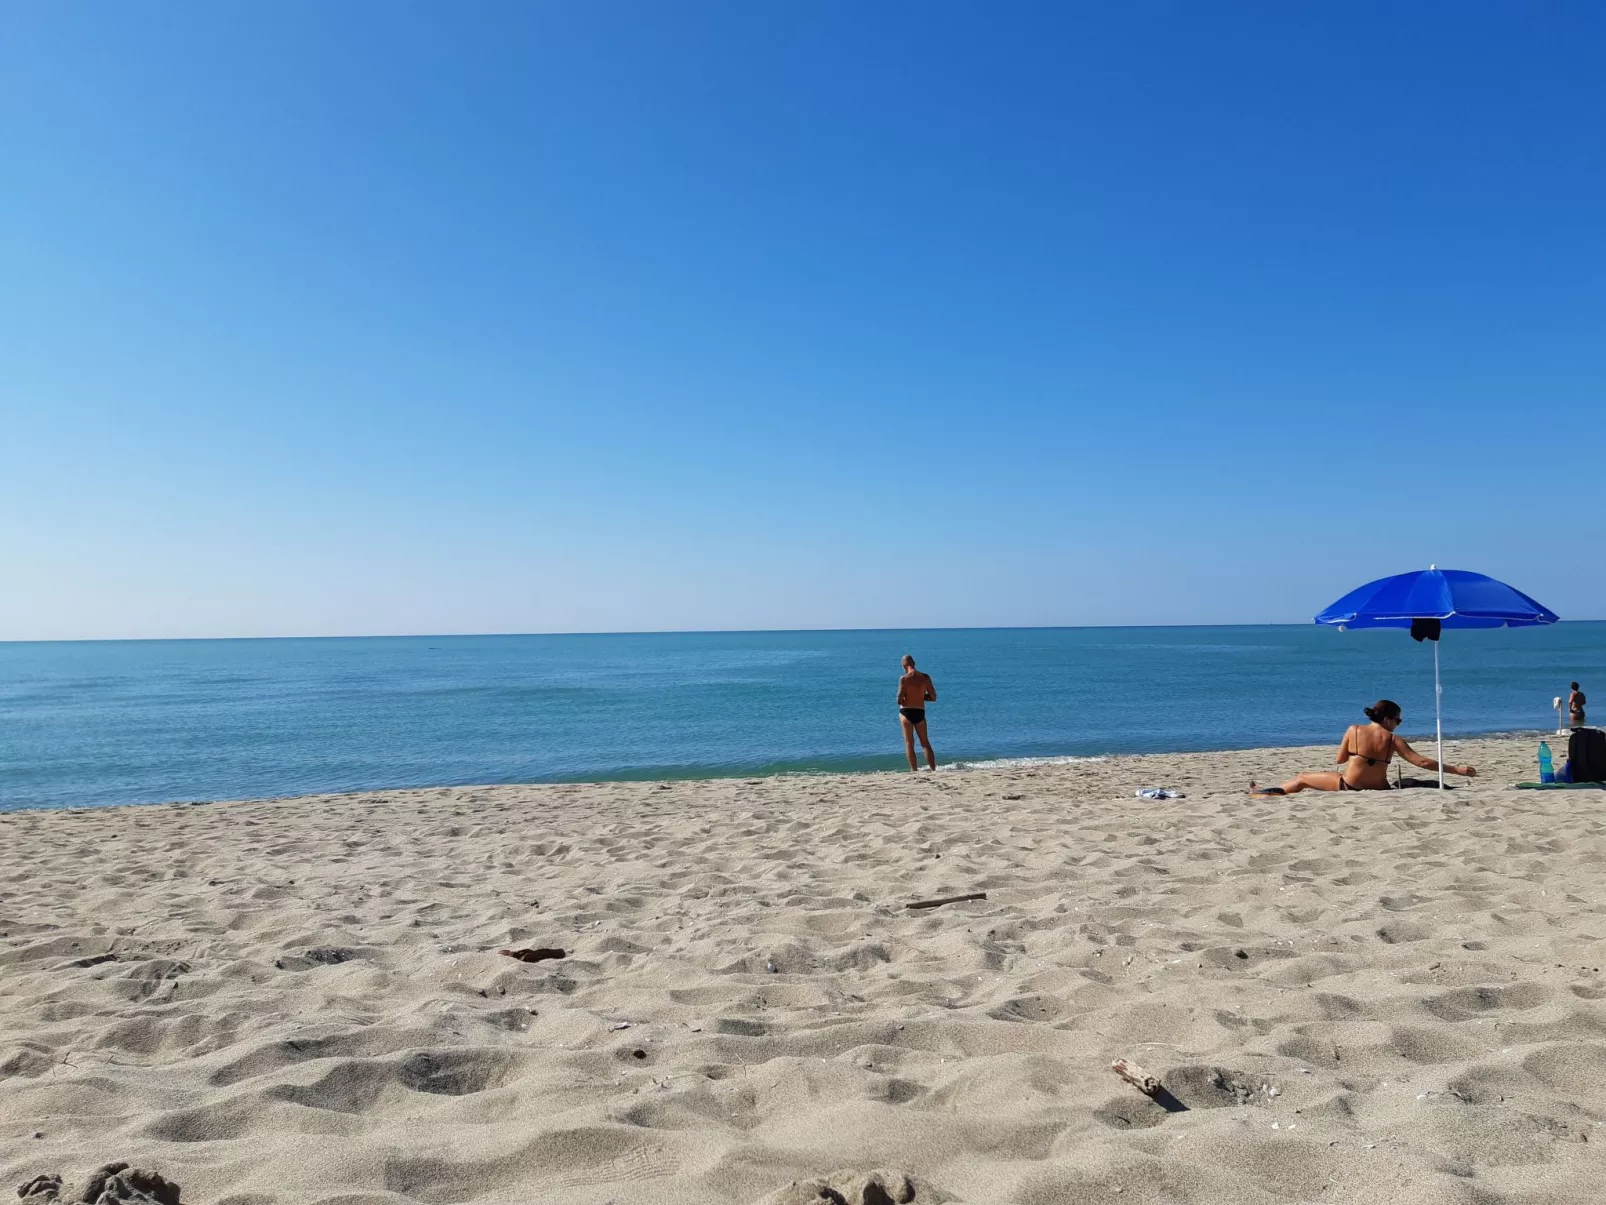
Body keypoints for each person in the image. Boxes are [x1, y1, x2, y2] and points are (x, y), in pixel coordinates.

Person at [1251, 699, 1476, 794]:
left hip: (1350, 786)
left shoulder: (1354, 730)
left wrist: (1357, 753)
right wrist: (1456, 769)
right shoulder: (1392, 739)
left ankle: (1267, 794)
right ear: (1388, 719)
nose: (1398, 724)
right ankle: (1268, 793)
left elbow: (1339, 760)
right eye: (1398, 720)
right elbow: (1422, 762)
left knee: (1302, 777)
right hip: (1380, 789)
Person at [896, 654, 937, 771]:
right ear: (914, 663)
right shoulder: (925, 677)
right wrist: (922, 697)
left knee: (909, 743)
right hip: (920, 711)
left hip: (906, 712)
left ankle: (914, 771)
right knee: (925, 743)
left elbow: (898, 699)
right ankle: (933, 769)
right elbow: (933, 697)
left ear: (904, 665)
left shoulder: (904, 679)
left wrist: (907, 698)